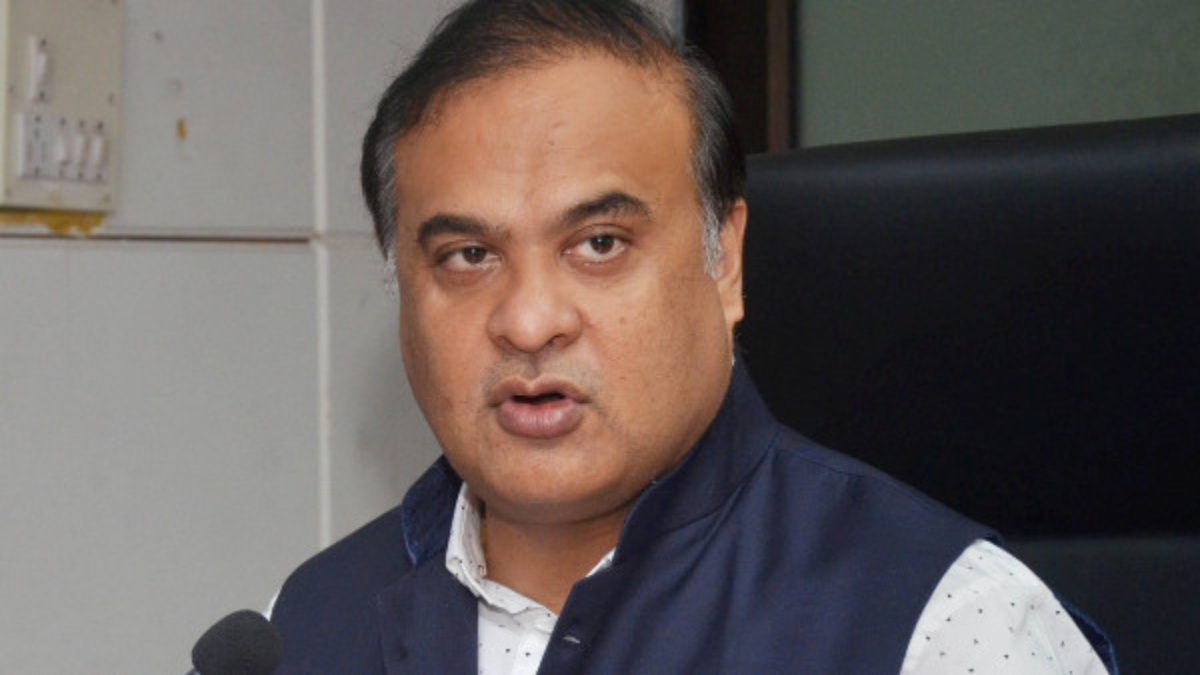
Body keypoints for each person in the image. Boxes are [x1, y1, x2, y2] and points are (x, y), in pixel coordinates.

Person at [269, 1, 1114, 672]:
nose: (528, 321)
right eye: (468, 256)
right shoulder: (300, 631)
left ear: (725, 261)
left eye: (600, 244)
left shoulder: (946, 625)